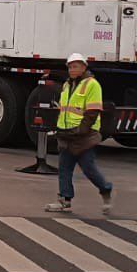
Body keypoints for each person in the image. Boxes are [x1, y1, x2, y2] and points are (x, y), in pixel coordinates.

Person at [46, 53, 114, 215]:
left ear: (84, 67)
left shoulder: (92, 85)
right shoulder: (67, 85)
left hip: (84, 137)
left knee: (89, 169)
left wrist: (81, 131)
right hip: (67, 134)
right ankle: (64, 200)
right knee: (64, 169)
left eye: (75, 66)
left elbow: (93, 112)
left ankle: (105, 190)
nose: (72, 69)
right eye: (70, 66)